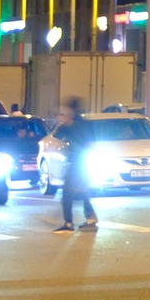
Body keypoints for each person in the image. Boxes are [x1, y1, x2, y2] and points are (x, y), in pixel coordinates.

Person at [54, 99, 99, 233]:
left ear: (71, 110)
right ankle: (90, 218)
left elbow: (57, 134)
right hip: (83, 161)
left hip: (77, 162)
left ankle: (69, 223)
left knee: (68, 192)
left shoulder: (73, 125)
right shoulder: (83, 123)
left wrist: (63, 123)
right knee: (82, 191)